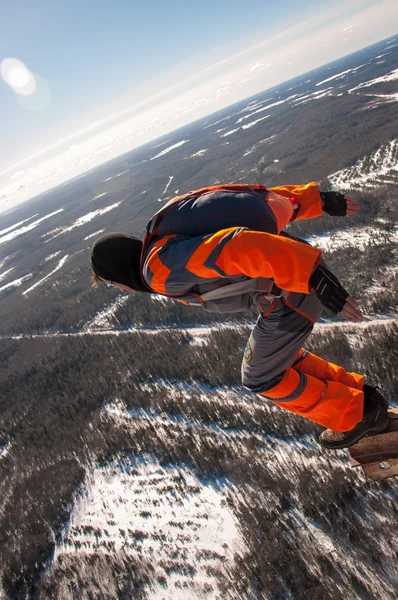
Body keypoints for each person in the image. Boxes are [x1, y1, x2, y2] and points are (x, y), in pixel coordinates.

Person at [90, 182, 389, 449]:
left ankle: (357, 415)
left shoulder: (158, 270)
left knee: (260, 376)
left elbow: (234, 246)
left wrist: (309, 273)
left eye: (115, 284)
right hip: (292, 279)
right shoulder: (165, 232)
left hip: (293, 287)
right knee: (277, 359)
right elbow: (253, 202)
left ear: (120, 274)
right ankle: (362, 397)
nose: (123, 290)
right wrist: (317, 201)